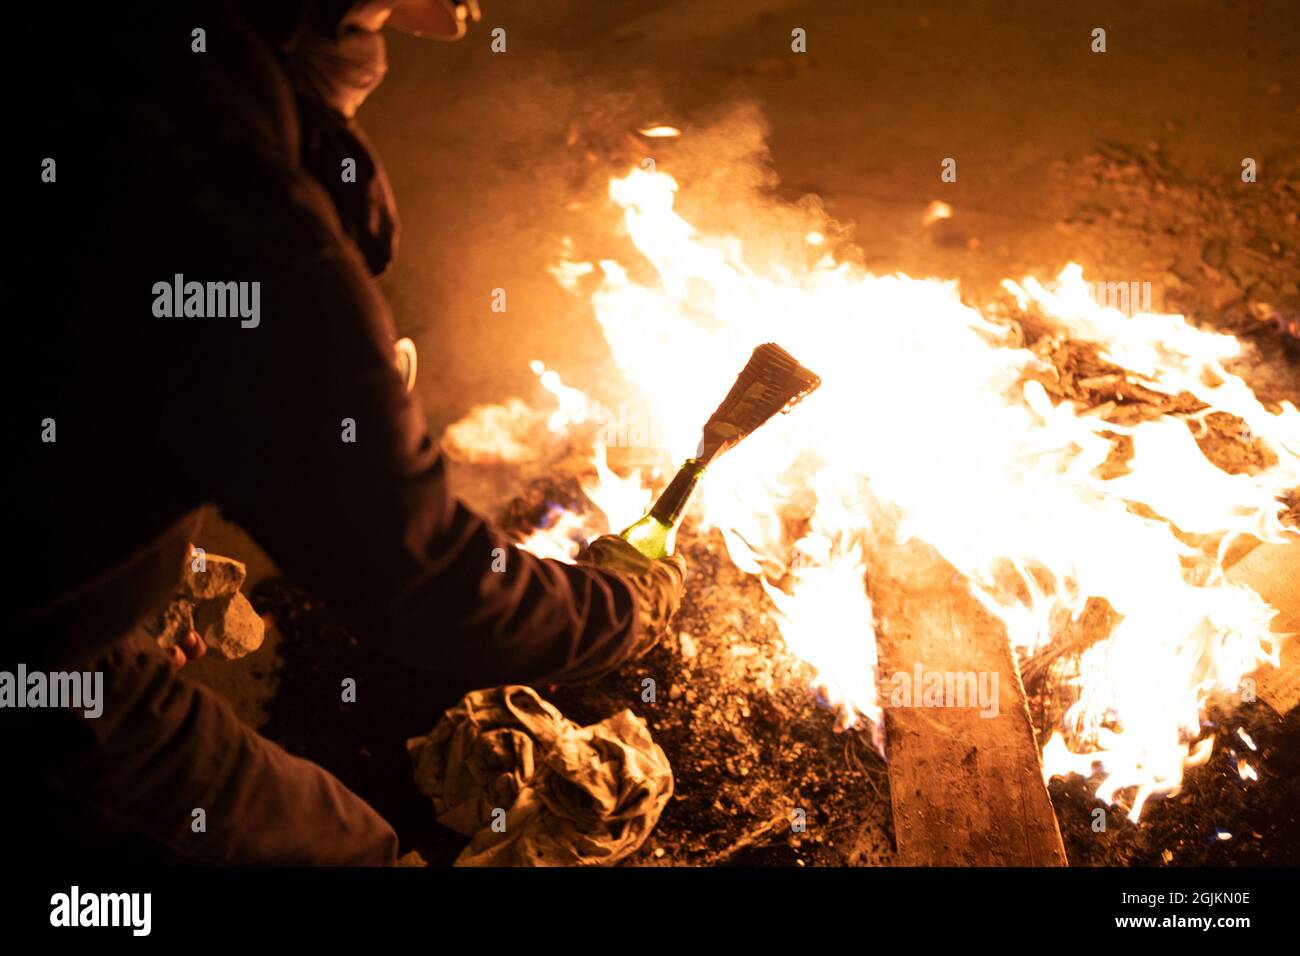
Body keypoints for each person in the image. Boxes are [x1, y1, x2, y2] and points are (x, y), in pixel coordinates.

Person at [6, 0, 686, 864]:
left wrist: (116, 585)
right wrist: (626, 605)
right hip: (38, 679)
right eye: (380, 20)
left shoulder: (107, 71)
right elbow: (426, 582)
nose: (385, 53)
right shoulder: (252, 231)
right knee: (350, 854)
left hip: (56, 616)